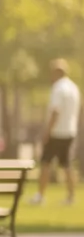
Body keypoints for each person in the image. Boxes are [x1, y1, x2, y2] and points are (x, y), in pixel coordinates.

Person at [31, 59, 79, 205]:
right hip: (70, 131)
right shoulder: (74, 88)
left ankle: (40, 195)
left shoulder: (58, 88)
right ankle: (71, 196)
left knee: (45, 163)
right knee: (67, 165)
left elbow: (55, 112)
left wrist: (47, 131)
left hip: (56, 132)